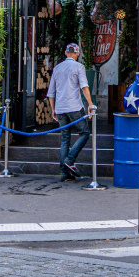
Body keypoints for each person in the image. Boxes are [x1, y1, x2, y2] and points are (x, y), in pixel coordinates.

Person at [46, 42, 94, 181]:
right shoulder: (79, 67)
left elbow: (51, 93)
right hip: (74, 108)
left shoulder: (57, 68)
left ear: (66, 53)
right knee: (84, 133)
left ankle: (65, 173)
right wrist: (90, 104)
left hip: (60, 109)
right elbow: (84, 87)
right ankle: (70, 160)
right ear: (77, 54)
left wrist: (53, 109)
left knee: (65, 140)